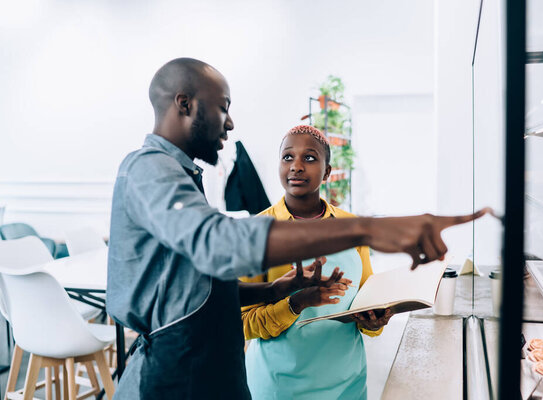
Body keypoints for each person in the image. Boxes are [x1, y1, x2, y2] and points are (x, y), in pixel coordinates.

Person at [106, 57, 488, 399]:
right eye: (224, 108)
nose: (232, 122)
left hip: (213, 371)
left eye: (309, 159)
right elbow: (217, 242)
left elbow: (195, 289)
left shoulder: (185, 175)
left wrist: (275, 288)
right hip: (177, 375)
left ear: (327, 170)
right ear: (185, 104)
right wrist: (364, 230)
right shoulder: (148, 168)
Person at [241, 125, 392, 399]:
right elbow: (243, 323)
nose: (296, 166)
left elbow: (366, 303)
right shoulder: (256, 232)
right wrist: (297, 303)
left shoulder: (353, 228)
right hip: (278, 387)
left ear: (327, 172)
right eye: (288, 157)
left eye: (309, 158)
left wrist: (373, 322)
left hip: (347, 384)